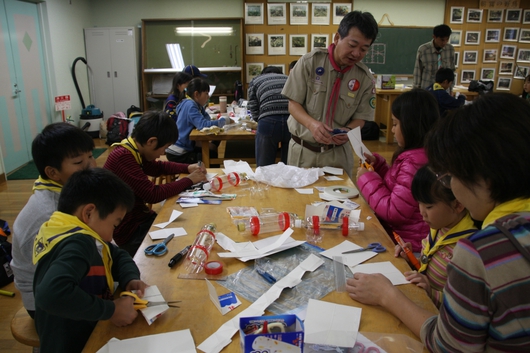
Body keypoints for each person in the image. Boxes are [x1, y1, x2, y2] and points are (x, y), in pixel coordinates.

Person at [346, 93, 530, 352]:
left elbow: (447, 346)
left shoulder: (480, 252)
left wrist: (387, 295)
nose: (450, 186)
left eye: (450, 175)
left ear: (483, 175)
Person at [33, 168, 148, 353]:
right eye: (114, 224)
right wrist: (111, 310)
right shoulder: (79, 244)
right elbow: (50, 294)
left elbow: (117, 254)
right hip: (72, 342)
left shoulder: (62, 227)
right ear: (89, 213)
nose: (112, 236)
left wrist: (129, 277)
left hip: (79, 329)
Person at [10, 123, 96, 319]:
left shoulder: (63, 189)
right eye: (78, 162)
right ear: (52, 173)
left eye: (91, 156)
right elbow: (55, 287)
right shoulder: (50, 215)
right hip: (44, 302)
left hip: (64, 281)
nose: (91, 165)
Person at [281, 11, 378, 179]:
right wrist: (312, 125)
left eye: (363, 49)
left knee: (340, 204)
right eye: (352, 45)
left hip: (338, 155)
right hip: (303, 153)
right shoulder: (310, 62)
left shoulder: (364, 78)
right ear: (337, 38)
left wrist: (348, 131)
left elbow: (361, 117)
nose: (356, 54)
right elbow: (293, 104)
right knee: (298, 204)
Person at [104, 111, 207, 256]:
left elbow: (157, 167)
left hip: (141, 219)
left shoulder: (133, 149)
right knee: (184, 244)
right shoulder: (122, 157)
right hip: (131, 232)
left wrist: (187, 167)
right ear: (151, 141)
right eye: (164, 148)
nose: (162, 153)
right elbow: (152, 194)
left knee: (189, 228)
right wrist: (189, 180)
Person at [356, 89, 439, 252]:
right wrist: (378, 167)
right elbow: (398, 186)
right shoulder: (420, 154)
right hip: (404, 238)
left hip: (407, 244)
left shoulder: (414, 162)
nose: (392, 130)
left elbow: (394, 211)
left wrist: (368, 180)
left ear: (411, 125)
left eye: (395, 124)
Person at [398, 165, 476, 308]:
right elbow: (430, 267)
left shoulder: (467, 248)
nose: (422, 212)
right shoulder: (441, 225)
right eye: (419, 203)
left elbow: (462, 306)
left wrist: (431, 292)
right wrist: (410, 259)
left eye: (428, 207)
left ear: (458, 205)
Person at [165, 78, 227, 164]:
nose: (208, 96)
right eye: (206, 93)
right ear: (196, 94)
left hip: (185, 146)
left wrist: (201, 107)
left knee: (213, 145)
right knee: (210, 154)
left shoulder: (192, 103)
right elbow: (203, 125)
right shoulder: (190, 105)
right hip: (179, 152)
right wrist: (224, 121)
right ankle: (210, 176)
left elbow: (206, 118)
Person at [247, 66, 290, 166]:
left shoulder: (256, 81)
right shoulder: (288, 78)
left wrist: (261, 119)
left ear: (263, 74)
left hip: (268, 120)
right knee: (290, 167)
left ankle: (263, 181)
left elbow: (253, 106)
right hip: (291, 119)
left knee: (264, 168)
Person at [413, 24, 455, 89]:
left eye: (447, 39)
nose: (444, 42)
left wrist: (451, 88)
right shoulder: (423, 50)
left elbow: (452, 69)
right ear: (434, 37)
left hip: (444, 91)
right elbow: (418, 72)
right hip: (427, 90)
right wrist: (416, 90)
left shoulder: (450, 49)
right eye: (442, 40)